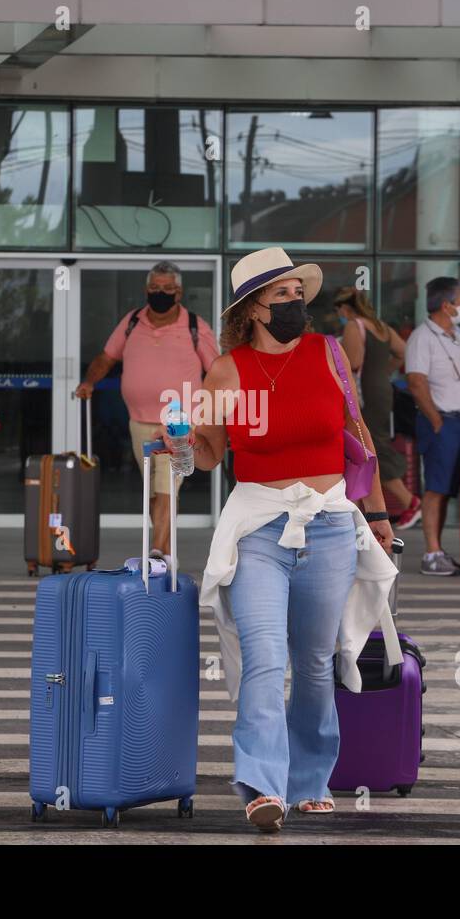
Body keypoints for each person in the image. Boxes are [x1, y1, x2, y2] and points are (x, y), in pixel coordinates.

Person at [174, 247, 397, 833]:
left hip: (326, 523)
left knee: (316, 663)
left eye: (299, 294)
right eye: (282, 297)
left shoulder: (329, 355)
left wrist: (377, 515)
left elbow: (358, 433)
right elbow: (210, 451)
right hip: (258, 528)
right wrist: (181, 444)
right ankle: (262, 784)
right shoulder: (227, 370)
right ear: (252, 309)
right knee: (266, 658)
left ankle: (310, 779)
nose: (296, 304)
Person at [76, 260, 218, 560]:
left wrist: (217, 411)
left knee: (168, 483)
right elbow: (106, 358)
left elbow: (216, 369)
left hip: (179, 423)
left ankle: (157, 551)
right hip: (138, 421)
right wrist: (88, 381)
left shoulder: (195, 325)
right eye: (155, 288)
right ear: (146, 290)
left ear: (179, 292)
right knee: (153, 491)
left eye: (167, 289)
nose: (161, 293)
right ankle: (165, 552)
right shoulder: (131, 322)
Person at [404, 276, 460, 576]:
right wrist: (436, 420)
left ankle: (438, 550)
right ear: (446, 305)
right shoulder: (423, 337)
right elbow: (415, 382)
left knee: (446, 489)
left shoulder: (454, 335)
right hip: (442, 423)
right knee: (436, 489)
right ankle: (431, 554)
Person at [333, 286, 421, 530]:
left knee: (367, 445)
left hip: (364, 395)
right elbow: (403, 351)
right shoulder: (381, 326)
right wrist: (385, 370)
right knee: (373, 442)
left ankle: (409, 501)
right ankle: (361, 507)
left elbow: (354, 361)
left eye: (339, 309)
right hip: (382, 390)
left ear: (346, 308)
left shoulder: (354, 325)